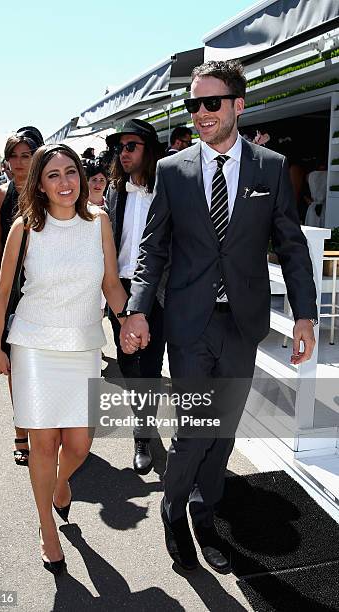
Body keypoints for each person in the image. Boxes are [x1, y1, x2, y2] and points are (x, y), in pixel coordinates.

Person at [120, 60, 318, 573]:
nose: (200, 113)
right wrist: (138, 309)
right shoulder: (172, 169)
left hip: (243, 323)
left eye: (211, 102)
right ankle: (175, 509)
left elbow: (292, 247)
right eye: (193, 104)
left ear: (238, 105)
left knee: (224, 429)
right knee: (195, 427)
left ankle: (206, 514)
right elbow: (152, 249)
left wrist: (305, 316)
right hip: (188, 323)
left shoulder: (270, 167)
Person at [0, 143, 127, 574]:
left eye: (71, 172)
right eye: (53, 175)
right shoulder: (24, 227)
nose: (64, 182)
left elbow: (110, 283)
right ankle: (47, 528)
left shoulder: (98, 221)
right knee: (43, 444)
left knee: (80, 445)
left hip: (83, 345)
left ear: (81, 178)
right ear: (40, 184)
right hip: (33, 345)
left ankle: (62, 482)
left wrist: (128, 319)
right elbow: (3, 291)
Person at [105, 118, 168, 475]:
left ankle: (143, 430)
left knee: (152, 363)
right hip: (122, 290)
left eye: (131, 146)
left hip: (158, 290)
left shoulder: (169, 188)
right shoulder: (115, 191)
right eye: (119, 148)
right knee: (129, 362)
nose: (123, 153)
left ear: (149, 150)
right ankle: (142, 422)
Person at [0, 127, 44, 466]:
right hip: (9, 292)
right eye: (13, 157)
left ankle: (48, 426)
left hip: (42, 288)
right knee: (15, 368)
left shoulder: (50, 191)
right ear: (6, 162)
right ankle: (22, 430)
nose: (19, 163)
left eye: (26, 155)